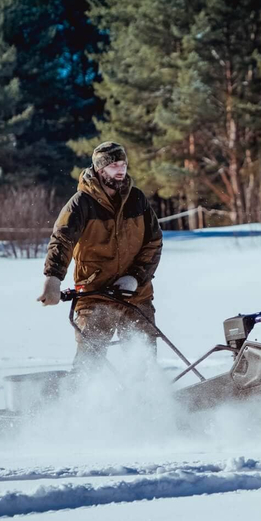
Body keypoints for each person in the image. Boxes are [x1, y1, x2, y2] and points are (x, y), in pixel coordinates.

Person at [37, 141, 163, 367]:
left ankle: (145, 390)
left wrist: (135, 277)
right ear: (100, 169)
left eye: (123, 164)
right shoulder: (81, 203)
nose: (121, 170)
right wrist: (53, 278)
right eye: (114, 165)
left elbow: (153, 242)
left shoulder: (137, 199)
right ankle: (83, 391)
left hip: (136, 295)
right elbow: (62, 240)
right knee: (89, 364)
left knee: (143, 361)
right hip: (95, 294)